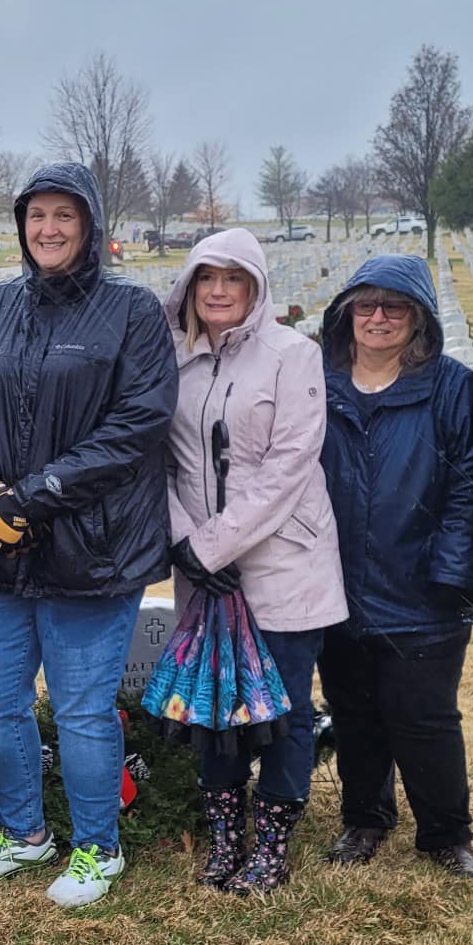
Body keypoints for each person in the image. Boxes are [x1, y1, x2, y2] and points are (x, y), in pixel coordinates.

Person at [0, 162, 178, 909]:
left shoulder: (132, 313)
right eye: (36, 216)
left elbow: (137, 425)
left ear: (91, 226)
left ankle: (96, 847)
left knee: (80, 707)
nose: (48, 229)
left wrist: (34, 498)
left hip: (94, 547)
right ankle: (22, 834)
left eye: (64, 216)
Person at [164, 229, 346, 895]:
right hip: (200, 569)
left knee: (283, 710)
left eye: (232, 279)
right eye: (206, 279)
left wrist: (215, 546)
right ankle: (225, 837)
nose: (217, 292)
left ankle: (271, 841)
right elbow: (162, 462)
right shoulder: (174, 359)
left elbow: (289, 465)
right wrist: (184, 544)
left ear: (255, 288)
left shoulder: (291, 356)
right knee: (214, 706)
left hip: (281, 562)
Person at [314, 254, 473, 877]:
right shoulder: (320, 381)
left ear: (419, 320)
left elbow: (469, 482)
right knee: (353, 709)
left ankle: (445, 831)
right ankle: (364, 817)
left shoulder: (449, 386)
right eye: (366, 305)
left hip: (421, 583)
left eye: (395, 307)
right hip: (332, 581)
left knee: (425, 716)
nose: (378, 318)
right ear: (346, 313)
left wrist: (451, 569)